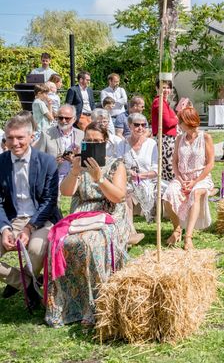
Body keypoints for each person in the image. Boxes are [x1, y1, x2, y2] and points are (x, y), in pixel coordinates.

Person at [46, 122, 129, 327]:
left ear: (105, 142)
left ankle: (97, 306)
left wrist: (99, 178)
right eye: (88, 141)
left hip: (107, 214)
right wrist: (74, 171)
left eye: (96, 141)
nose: (92, 144)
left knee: (90, 243)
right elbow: (66, 192)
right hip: (81, 216)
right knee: (60, 242)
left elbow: (118, 197)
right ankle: (66, 306)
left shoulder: (116, 164)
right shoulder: (79, 167)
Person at [0, 114, 61, 311]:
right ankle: (27, 284)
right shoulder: (0, 162)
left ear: (31, 137)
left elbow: (49, 201)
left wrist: (29, 228)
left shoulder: (47, 161)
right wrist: (4, 229)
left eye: (20, 138)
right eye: (10, 138)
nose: (15, 143)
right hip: (11, 218)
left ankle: (21, 283)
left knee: (35, 250)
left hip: (41, 219)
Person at [163, 108, 215, 251]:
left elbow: (210, 164)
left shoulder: (205, 138)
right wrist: (180, 179)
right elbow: (174, 162)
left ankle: (188, 237)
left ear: (189, 122)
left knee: (196, 193)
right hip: (182, 177)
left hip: (201, 178)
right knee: (168, 194)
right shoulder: (179, 138)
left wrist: (195, 181)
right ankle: (177, 228)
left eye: (180, 121)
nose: (178, 124)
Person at [116, 113, 156, 246]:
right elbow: (117, 164)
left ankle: (130, 230)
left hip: (147, 181)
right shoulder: (122, 144)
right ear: (129, 126)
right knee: (125, 192)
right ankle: (131, 229)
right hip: (127, 180)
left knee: (129, 190)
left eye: (143, 125)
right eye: (137, 125)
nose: (140, 128)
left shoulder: (152, 144)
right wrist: (127, 172)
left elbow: (156, 171)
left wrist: (140, 176)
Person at [35, 104, 84, 182]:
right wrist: (53, 162)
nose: (63, 121)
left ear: (74, 119)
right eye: (60, 118)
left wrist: (74, 160)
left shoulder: (82, 135)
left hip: (75, 178)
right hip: (54, 178)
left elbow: (86, 160)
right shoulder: (46, 134)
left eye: (67, 118)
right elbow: (37, 159)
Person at [152, 80, 179, 181]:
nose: (166, 90)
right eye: (163, 87)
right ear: (157, 88)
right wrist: (176, 119)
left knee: (171, 170)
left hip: (168, 140)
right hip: (165, 141)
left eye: (168, 88)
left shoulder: (164, 102)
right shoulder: (159, 102)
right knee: (169, 171)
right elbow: (167, 123)